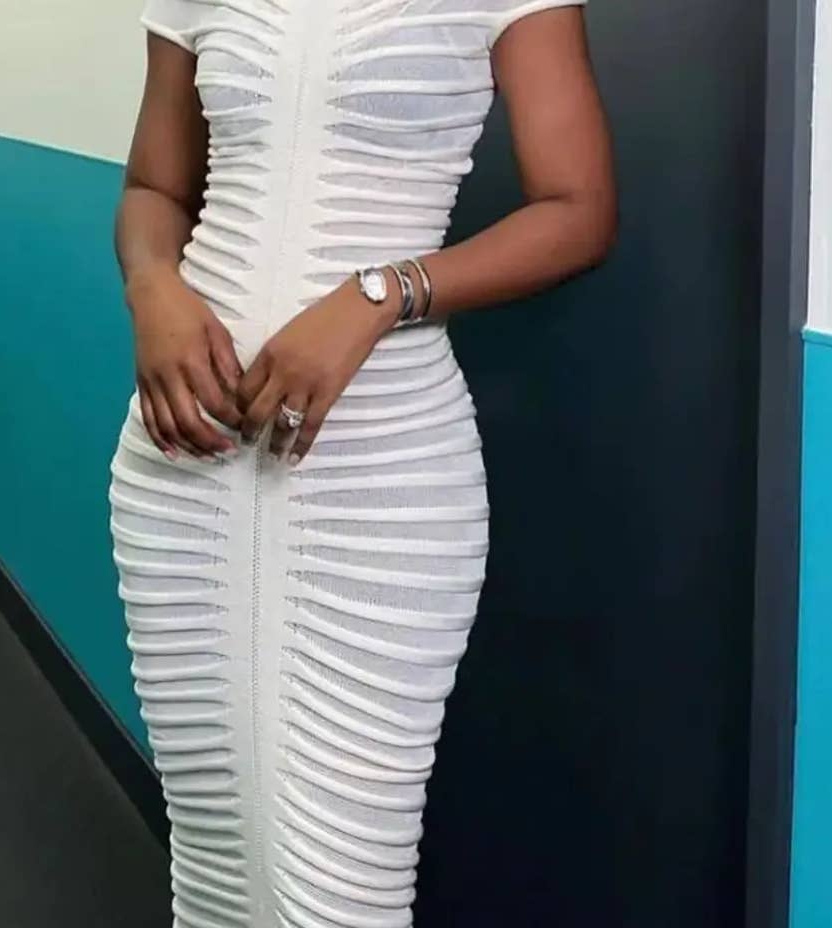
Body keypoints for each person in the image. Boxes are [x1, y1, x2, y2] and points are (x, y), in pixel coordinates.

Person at [107, 0, 616, 925]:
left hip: (381, 469)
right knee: (215, 853)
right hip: (184, 457)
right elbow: (153, 186)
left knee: (341, 883)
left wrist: (379, 295)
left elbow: (577, 211)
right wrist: (152, 286)